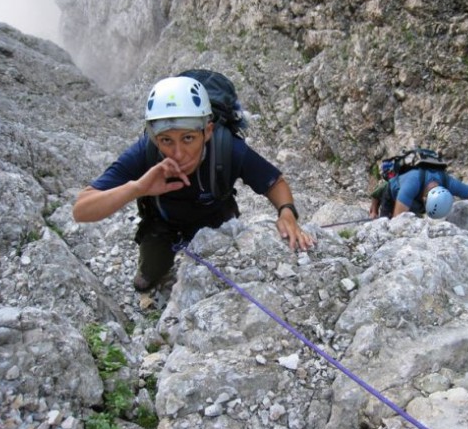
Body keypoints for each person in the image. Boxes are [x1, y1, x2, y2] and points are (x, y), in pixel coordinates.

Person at [73, 76, 315, 291]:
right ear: (155, 138)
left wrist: (287, 212)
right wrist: (139, 187)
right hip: (162, 225)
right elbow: (81, 209)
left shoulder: (226, 148)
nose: (178, 153)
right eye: (166, 140)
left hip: (215, 220)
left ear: (207, 131)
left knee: (221, 281)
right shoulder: (144, 152)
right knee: (145, 282)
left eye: (188, 138)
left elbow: (274, 183)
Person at [369, 165, 468, 246]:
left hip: (416, 195)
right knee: (387, 230)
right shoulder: (409, 186)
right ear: (425, 200)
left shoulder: (447, 182)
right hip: (392, 194)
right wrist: (374, 211)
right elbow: (398, 222)